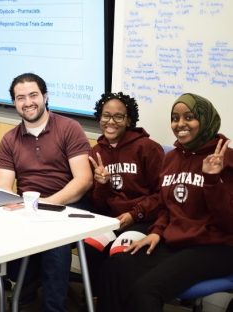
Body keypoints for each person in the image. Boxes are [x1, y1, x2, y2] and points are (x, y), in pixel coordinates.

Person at [96, 93, 233, 312]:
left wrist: (212, 180)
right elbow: (166, 204)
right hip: (175, 242)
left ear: (205, 119)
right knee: (116, 267)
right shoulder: (172, 158)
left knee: (146, 288)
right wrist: (157, 232)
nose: (180, 124)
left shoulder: (225, 158)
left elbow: (228, 221)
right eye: (175, 118)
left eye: (189, 117)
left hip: (214, 247)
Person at [0, 73, 92, 311]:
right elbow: (3, 188)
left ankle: (54, 306)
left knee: (55, 238)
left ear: (45, 96)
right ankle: (24, 290)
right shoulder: (9, 140)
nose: (28, 102)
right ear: (14, 103)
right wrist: (19, 208)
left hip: (69, 203)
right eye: (20, 98)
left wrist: (48, 205)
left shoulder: (70, 128)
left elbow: (84, 180)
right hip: (28, 207)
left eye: (33, 95)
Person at [84, 92, 164, 294]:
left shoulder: (148, 148)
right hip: (112, 220)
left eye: (118, 117)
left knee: (120, 256)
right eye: (105, 116)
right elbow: (99, 205)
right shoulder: (96, 152)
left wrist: (134, 214)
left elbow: (162, 195)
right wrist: (102, 184)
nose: (111, 122)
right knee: (88, 248)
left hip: (142, 220)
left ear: (128, 120)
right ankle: (97, 299)